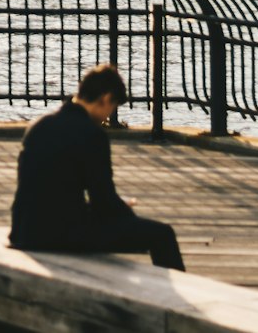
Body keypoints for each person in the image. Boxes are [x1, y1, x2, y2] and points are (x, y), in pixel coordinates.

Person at [9, 63, 185, 271]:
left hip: (24, 230)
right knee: (162, 234)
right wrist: (126, 214)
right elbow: (103, 200)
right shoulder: (92, 135)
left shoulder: (39, 125)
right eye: (112, 107)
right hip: (60, 234)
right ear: (106, 98)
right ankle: (173, 301)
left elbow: (44, 189)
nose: (108, 115)